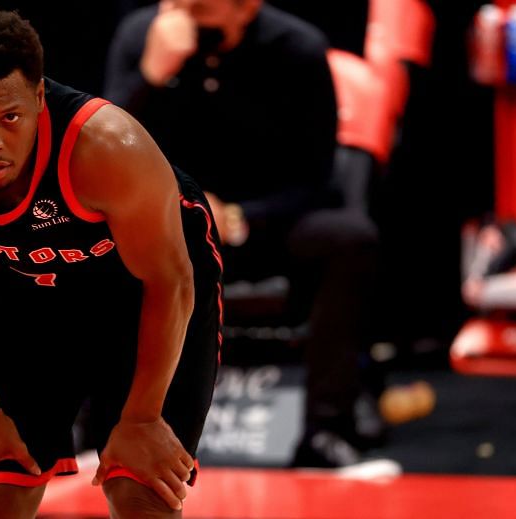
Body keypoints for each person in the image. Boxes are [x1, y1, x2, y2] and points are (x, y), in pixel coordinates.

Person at [0, 8, 222, 518]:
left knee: (143, 492)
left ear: (37, 99)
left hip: (138, 295)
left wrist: (140, 421)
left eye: (9, 118)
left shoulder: (108, 148)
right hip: (16, 286)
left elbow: (170, 281)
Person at [105, 0, 380, 467]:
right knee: (82, 230)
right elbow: (104, 157)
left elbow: (317, 178)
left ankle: (326, 430)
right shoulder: (141, 34)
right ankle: (97, 425)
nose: (185, 17)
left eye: (201, 10)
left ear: (246, 7)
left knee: (350, 237)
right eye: (179, 5)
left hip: (267, 225)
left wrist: (240, 216)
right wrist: (151, 75)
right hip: (167, 224)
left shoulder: (298, 48)